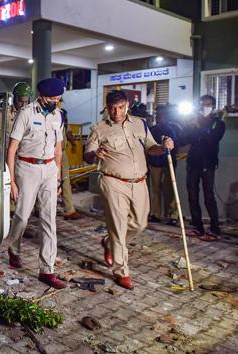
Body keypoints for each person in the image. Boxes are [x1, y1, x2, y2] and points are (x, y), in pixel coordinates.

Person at [84, 90, 174, 290]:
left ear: (127, 106)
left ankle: (109, 243)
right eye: (112, 108)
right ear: (107, 108)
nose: (116, 112)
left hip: (140, 181)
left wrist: (164, 147)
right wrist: (95, 153)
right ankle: (121, 271)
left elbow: (151, 148)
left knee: (140, 223)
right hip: (112, 181)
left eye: (121, 107)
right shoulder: (99, 129)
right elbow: (87, 156)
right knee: (118, 226)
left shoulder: (140, 124)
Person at [6, 78, 67, 289]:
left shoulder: (58, 116)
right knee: (22, 217)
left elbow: (58, 149)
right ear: (42, 96)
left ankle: (47, 270)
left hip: (49, 169)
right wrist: (12, 181)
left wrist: (58, 178)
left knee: (49, 219)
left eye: (58, 98)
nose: (56, 101)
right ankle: (14, 249)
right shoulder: (26, 114)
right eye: (53, 98)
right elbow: (12, 149)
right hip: (27, 168)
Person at [180, 95, 225, 239]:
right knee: (192, 196)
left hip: (208, 164)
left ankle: (215, 230)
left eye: (209, 104)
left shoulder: (218, 123)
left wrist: (200, 125)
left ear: (213, 106)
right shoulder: (194, 122)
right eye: (203, 105)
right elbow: (183, 140)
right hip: (193, 163)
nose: (205, 107)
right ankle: (198, 227)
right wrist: (190, 126)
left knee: (208, 197)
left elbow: (212, 140)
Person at [147, 105, 179, 226]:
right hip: (155, 163)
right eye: (157, 115)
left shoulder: (174, 128)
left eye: (161, 115)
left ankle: (173, 215)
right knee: (155, 190)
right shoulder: (153, 129)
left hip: (168, 163)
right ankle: (155, 214)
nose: (159, 117)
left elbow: (177, 143)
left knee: (171, 189)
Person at [59, 104, 84, 220]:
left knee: (65, 180)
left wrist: (74, 144)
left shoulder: (62, 115)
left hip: (62, 153)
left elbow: (68, 132)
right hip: (48, 154)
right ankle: (39, 208)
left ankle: (69, 210)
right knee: (45, 182)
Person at [0, 82, 31, 152]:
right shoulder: (4, 113)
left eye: (26, 102)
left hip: (23, 155)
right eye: (21, 101)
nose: (23, 105)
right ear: (15, 99)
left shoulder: (30, 114)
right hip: (6, 153)